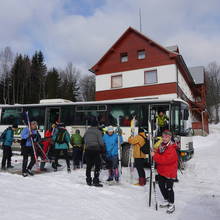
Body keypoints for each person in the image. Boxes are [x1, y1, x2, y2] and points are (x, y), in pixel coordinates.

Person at [151, 130, 178, 214]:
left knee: (169, 188)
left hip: (169, 172)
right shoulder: (162, 145)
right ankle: (166, 200)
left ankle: (171, 203)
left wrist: (154, 155)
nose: (164, 138)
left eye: (166, 137)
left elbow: (164, 160)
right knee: (161, 186)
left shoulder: (171, 148)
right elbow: (159, 153)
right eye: (163, 137)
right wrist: (154, 151)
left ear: (170, 137)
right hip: (162, 171)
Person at [84, 120, 105, 187]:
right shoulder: (98, 132)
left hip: (87, 150)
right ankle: (95, 180)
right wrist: (103, 149)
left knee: (89, 166)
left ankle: (88, 180)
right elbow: (101, 142)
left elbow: (84, 140)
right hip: (95, 150)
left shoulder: (87, 131)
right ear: (97, 125)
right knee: (97, 165)